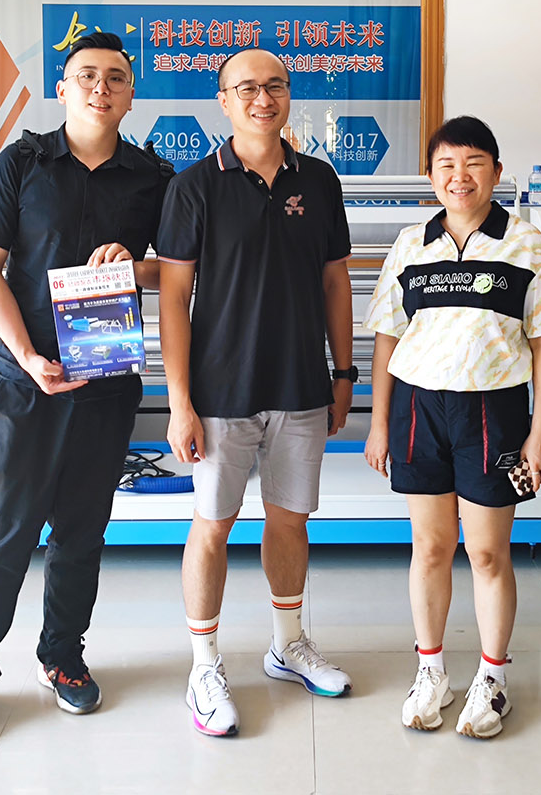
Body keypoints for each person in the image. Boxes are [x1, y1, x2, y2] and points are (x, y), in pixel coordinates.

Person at [0, 32, 173, 747]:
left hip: (104, 379)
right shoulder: (23, 163)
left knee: (81, 531)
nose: (102, 87)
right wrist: (28, 356)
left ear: (131, 94)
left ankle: (62, 656)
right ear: (63, 88)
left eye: (116, 78)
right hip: (24, 380)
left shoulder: (152, 176)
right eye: (87, 76)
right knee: (2, 530)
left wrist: (134, 264)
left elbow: (175, 268)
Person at [157, 47, 355, 738]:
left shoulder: (319, 181)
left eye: (275, 86)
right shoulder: (193, 186)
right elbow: (174, 297)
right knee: (212, 525)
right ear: (223, 100)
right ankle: (204, 665)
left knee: (290, 520)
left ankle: (287, 643)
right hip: (220, 392)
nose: (262, 99)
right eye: (246, 88)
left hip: (300, 384)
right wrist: (179, 401)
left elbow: (335, 281)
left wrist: (343, 374)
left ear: (289, 94)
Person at [363, 116, 541, 739]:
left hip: (494, 412)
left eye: (474, 163)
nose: (460, 176)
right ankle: (431, 670)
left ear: (497, 172)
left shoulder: (526, 244)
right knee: (430, 547)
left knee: (486, 551)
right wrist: (379, 424)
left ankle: (492, 676)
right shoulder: (411, 244)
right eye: (447, 165)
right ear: (430, 176)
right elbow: (387, 337)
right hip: (418, 409)